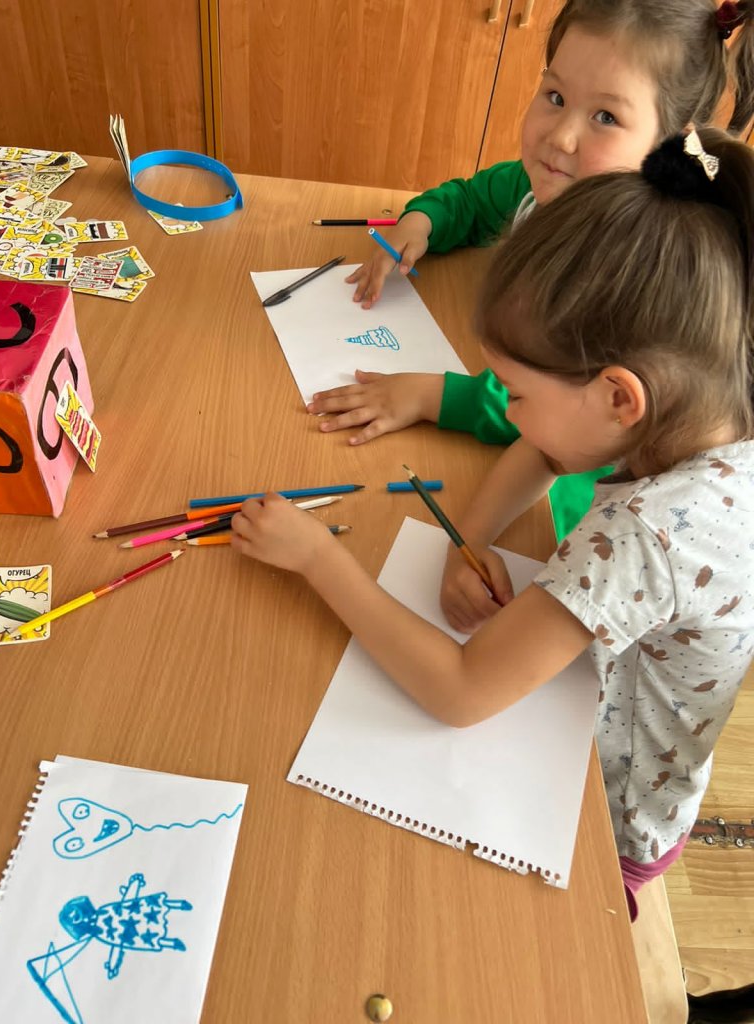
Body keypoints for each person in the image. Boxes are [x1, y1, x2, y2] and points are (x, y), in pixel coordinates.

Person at [231, 127, 754, 916]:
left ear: (619, 396)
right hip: (601, 717)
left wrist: (317, 560)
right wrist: (468, 538)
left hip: (602, 816)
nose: (505, 411)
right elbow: (547, 449)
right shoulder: (704, 407)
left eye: (516, 392)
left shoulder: (647, 536)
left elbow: (462, 690)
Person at [309, 0, 754, 541]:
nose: (560, 137)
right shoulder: (539, 183)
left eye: (606, 117)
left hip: (581, 507)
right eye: (556, 97)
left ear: (671, 145)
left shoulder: (638, 270)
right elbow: (471, 199)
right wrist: (420, 224)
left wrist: (431, 397)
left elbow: (564, 413)